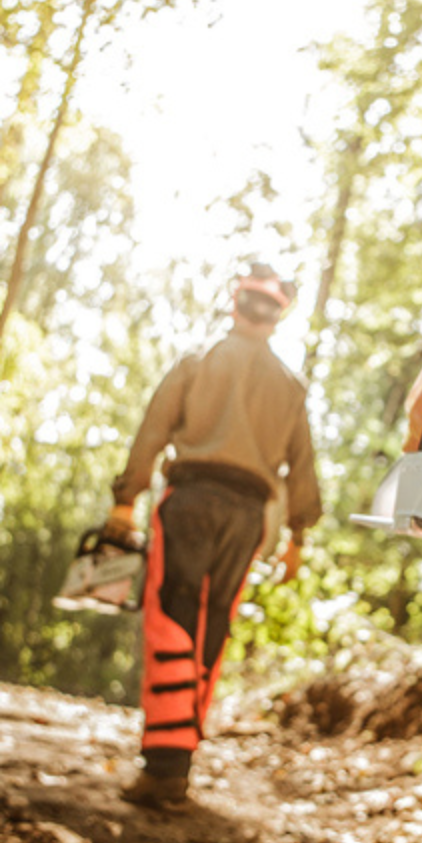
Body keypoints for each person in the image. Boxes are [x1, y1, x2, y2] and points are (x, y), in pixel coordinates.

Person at [105, 263, 322, 810]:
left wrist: (126, 499)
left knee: (172, 622)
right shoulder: (290, 385)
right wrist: (297, 536)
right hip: (248, 517)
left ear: (235, 304)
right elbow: (302, 467)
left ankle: (165, 769)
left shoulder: (197, 360)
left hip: (191, 502)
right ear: (277, 318)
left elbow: (154, 429)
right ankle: (178, 760)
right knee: (212, 625)